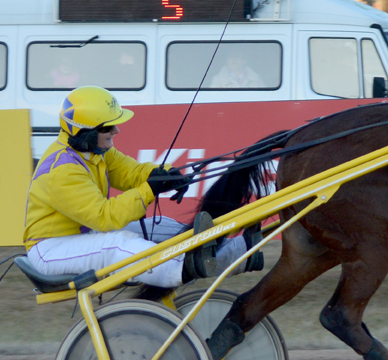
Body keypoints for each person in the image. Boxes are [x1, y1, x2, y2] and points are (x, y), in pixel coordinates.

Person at [23, 85, 260, 290]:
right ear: (84, 133)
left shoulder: (94, 151)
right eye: (108, 128)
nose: (116, 131)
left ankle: (239, 251)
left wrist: (163, 174)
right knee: (118, 244)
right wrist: (149, 189)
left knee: (166, 228)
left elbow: (132, 172)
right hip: (50, 250)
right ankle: (180, 270)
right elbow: (106, 218)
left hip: (81, 236)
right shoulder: (62, 170)